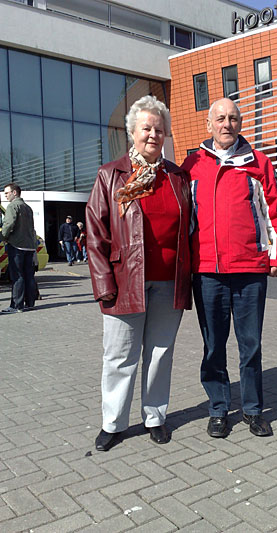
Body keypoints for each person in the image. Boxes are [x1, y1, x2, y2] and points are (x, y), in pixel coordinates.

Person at [86, 95, 191, 451]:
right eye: (146, 127)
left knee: (160, 353)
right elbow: (96, 234)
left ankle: (155, 417)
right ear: (132, 132)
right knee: (119, 355)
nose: (153, 134)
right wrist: (103, 285)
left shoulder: (177, 177)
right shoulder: (111, 176)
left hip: (168, 281)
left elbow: (189, 230)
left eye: (159, 129)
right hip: (125, 282)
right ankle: (113, 423)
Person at [182, 98, 277, 438]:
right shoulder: (192, 164)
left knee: (250, 345)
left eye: (233, 118)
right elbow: (182, 219)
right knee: (213, 345)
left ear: (241, 123)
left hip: (249, 270)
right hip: (207, 271)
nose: (226, 124)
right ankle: (218, 409)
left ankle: (253, 409)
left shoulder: (259, 163)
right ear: (209, 125)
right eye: (220, 118)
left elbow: (274, 211)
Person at [1, 183, 37, 313]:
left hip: (16, 245)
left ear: (14, 192)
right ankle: (30, 302)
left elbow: (9, 223)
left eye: (7, 193)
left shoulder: (13, 206)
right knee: (29, 275)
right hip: (29, 246)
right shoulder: (28, 208)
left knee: (17, 275)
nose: (5, 195)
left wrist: (3, 237)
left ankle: (17, 305)